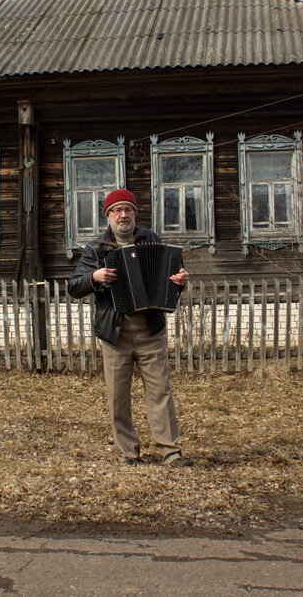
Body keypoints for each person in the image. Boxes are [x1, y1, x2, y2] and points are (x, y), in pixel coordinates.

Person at [67, 189, 193, 467]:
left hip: (150, 329)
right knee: (118, 395)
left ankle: (170, 452)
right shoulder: (95, 248)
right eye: (117, 210)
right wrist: (94, 276)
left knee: (160, 391)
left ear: (135, 213)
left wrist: (180, 282)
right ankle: (129, 453)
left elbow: (171, 280)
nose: (123, 215)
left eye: (128, 210)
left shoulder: (152, 239)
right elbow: (74, 286)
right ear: (108, 215)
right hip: (116, 333)